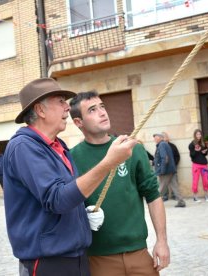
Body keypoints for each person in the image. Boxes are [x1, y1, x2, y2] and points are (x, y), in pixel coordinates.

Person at [3, 78, 137, 276]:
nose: (67, 107)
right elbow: (57, 199)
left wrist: (81, 215)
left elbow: (68, 193)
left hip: (76, 257)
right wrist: (109, 162)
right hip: (49, 263)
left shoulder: (59, 147)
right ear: (40, 110)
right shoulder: (23, 147)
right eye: (60, 101)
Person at [70, 91, 170, 275]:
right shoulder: (71, 159)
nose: (102, 112)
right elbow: (67, 204)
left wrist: (162, 241)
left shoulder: (132, 149)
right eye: (92, 110)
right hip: (98, 259)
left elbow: (153, 196)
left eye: (102, 106)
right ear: (78, 122)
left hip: (139, 253)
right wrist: (83, 218)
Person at [153, 133, 186, 208]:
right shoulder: (164, 144)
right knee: (175, 186)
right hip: (171, 169)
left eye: (156, 137)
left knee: (161, 188)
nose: (154, 139)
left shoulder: (162, 145)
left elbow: (164, 158)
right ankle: (181, 202)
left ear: (161, 138)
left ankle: (154, 203)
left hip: (166, 171)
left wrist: (162, 170)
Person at [189, 129, 208, 203]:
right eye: (197, 134)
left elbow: (204, 154)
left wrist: (205, 151)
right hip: (196, 165)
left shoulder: (203, 143)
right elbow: (192, 155)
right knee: (195, 181)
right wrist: (196, 151)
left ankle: (206, 195)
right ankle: (195, 197)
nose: (199, 136)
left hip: (204, 165)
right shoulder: (192, 144)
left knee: (205, 181)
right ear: (195, 135)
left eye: (200, 134)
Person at [161, 131, 180, 201]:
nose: (165, 138)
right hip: (164, 169)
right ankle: (165, 196)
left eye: (166, 136)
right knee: (163, 183)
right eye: (163, 137)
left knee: (174, 182)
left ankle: (175, 195)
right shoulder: (160, 146)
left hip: (172, 168)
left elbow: (177, 156)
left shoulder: (173, 146)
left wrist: (174, 164)